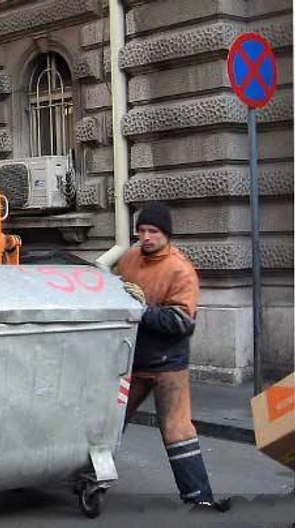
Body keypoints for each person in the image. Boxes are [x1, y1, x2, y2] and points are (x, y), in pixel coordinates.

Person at [117, 202, 231, 512]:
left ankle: (199, 496)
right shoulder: (129, 259)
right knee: (110, 421)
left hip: (169, 363)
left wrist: (143, 312)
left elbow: (182, 323)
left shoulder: (180, 270)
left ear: (166, 234)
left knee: (177, 430)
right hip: (135, 360)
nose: (146, 237)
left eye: (153, 231)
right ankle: (87, 478)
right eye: (141, 231)